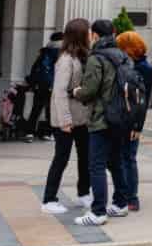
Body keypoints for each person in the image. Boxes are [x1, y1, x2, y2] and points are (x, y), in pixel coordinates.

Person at [73, 18, 134, 225]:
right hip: (121, 118)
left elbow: (90, 90)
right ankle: (120, 203)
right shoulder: (122, 56)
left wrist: (77, 92)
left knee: (97, 165)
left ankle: (98, 211)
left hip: (102, 118)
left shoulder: (96, 58)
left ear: (95, 35)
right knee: (115, 161)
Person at [41, 19, 92, 214]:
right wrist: (64, 120)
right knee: (61, 158)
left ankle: (84, 192)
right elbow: (59, 92)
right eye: (87, 32)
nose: (90, 35)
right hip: (67, 118)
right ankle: (49, 199)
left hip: (82, 117)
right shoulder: (66, 60)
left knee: (85, 157)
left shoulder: (82, 56)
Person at [116, 30, 152, 214]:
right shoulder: (134, 65)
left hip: (132, 119)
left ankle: (131, 197)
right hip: (125, 117)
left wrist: (138, 126)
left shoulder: (143, 68)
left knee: (128, 158)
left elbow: (142, 101)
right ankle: (124, 195)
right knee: (123, 157)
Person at [24, 31, 63, 142]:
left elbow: (34, 68)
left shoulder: (44, 52)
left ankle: (29, 133)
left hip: (40, 85)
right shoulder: (61, 52)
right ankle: (47, 133)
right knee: (51, 110)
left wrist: (32, 83)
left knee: (36, 108)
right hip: (53, 85)